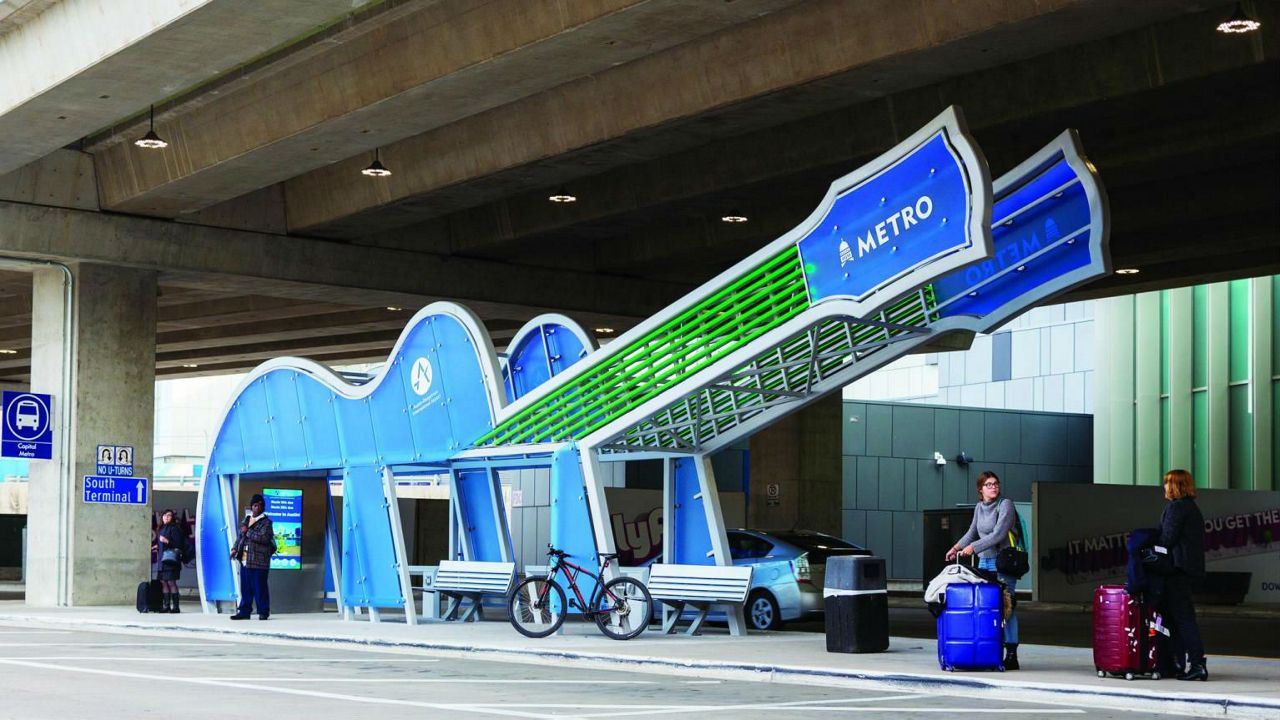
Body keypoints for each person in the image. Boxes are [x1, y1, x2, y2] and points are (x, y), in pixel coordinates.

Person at [945, 470, 1021, 669]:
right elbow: (972, 532)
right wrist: (956, 548)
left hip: (1003, 562)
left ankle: (1011, 654)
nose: (994, 487)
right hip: (984, 563)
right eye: (989, 484)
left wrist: (973, 548)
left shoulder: (1006, 505)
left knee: (1007, 607)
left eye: (996, 483)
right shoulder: (979, 508)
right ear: (980, 489)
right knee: (987, 608)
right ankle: (990, 650)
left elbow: (998, 535)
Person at [1157, 468, 1207, 681]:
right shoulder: (1192, 508)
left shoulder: (1177, 508)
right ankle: (1178, 662)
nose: (1165, 487)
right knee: (1178, 617)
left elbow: (1167, 539)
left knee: (1183, 618)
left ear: (1177, 486)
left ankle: (1195, 664)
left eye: (1168, 483)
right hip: (1188, 569)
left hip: (1177, 570)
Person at [229, 494, 275, 620]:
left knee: (260, 588)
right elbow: (240, 538)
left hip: (259, 561)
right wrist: (234, 549)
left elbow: (264, 538)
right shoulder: (246, 520)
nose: (258, 507)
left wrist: (248, 531)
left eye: (260, 505)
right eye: (255, 505)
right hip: (245, 560)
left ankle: (263, 611)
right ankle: (244, 611)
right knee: (246, 588)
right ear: (251, 507)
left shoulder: (267, 522)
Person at [155, 509, 190, 613]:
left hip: (171, 560)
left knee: (171, 582)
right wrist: (157, 546)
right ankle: (166, 606)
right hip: (162, 560)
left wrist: (166, 541)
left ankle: (175, 607)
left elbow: (178, 544)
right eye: (164, 515)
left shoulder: (175, 528)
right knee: (163, 582)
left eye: (169, 515)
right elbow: (162, 545)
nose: (166, 517)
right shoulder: (161, 529)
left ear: (172, 518)